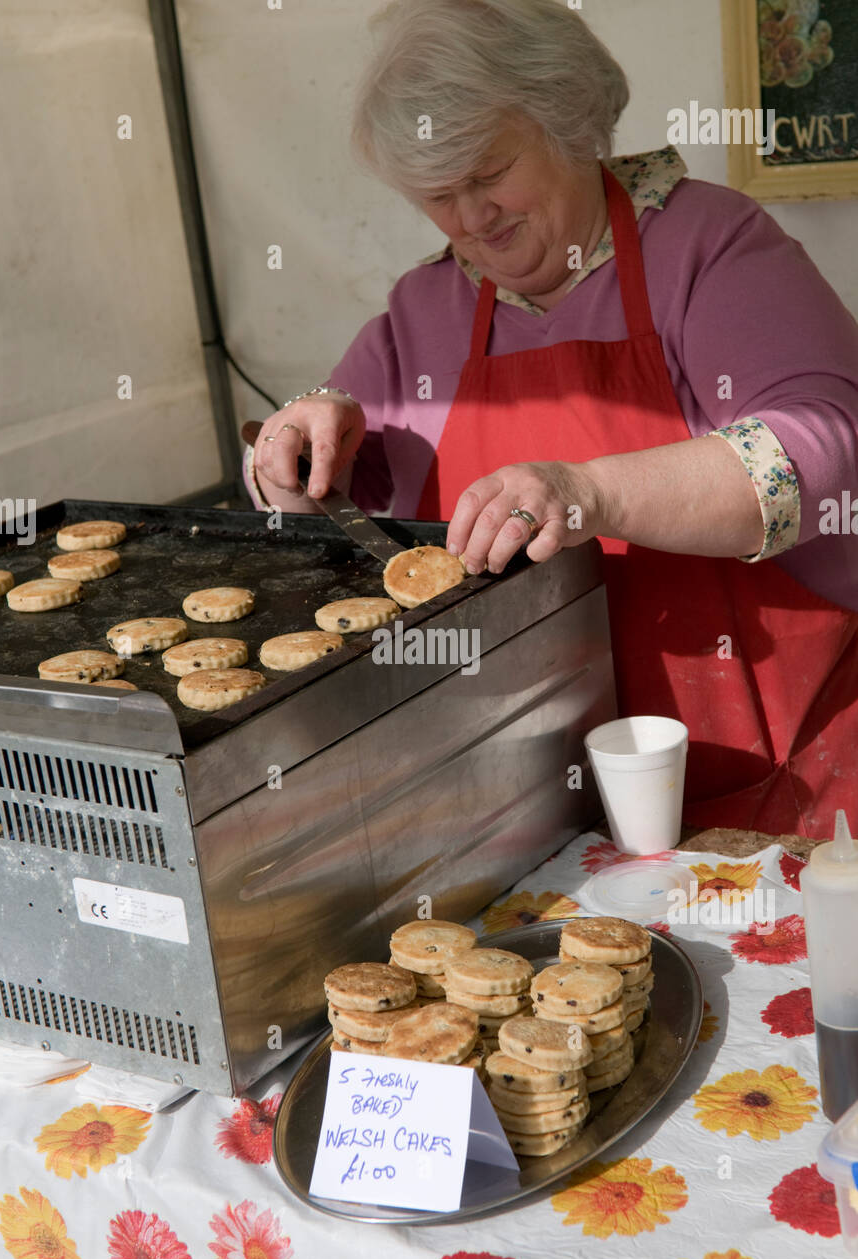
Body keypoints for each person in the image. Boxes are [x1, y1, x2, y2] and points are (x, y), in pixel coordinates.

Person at [244, 0, 858, 839]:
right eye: (437, 194)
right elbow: (343, 542)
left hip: (775, 768)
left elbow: (822, 453)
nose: (470, 220)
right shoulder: (425, 306)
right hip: (526, 800)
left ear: (567, 122)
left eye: (489, 173)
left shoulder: (705, 245)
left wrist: (587, 491)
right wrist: (293, 458)